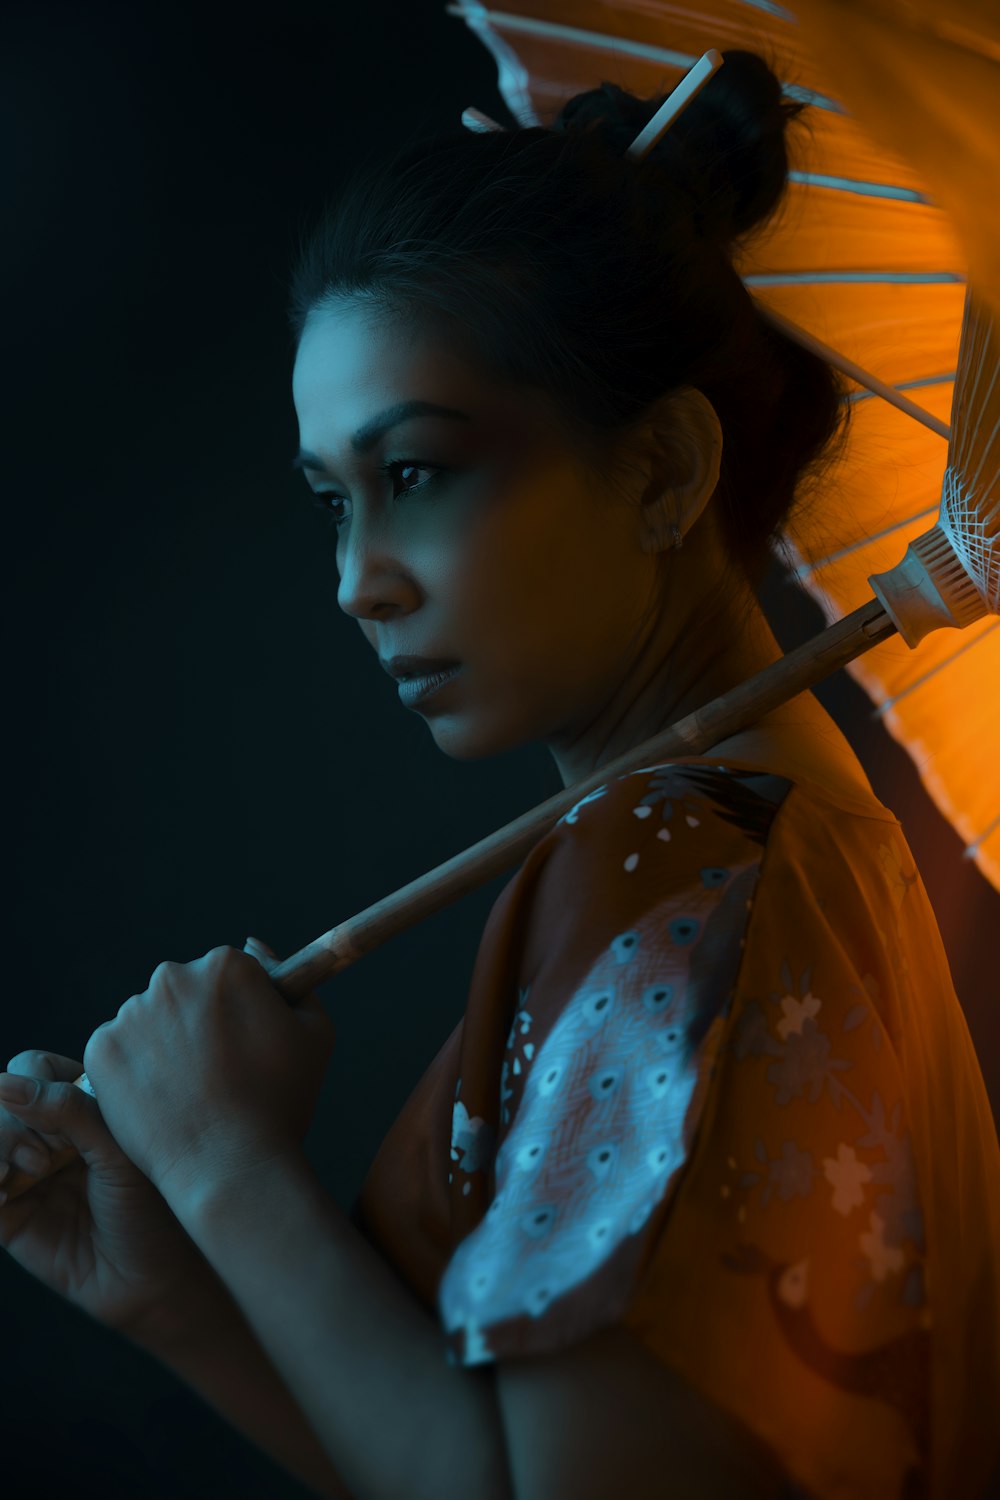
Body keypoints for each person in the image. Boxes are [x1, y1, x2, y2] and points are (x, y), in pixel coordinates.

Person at [1, 47, 998, 1500]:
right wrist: (173, 1292)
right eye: (332, 503)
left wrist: (230, 1168)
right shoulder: (759, 835)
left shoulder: (681, 857)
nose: (359, 584)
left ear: (663, 469)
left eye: (416, 473)